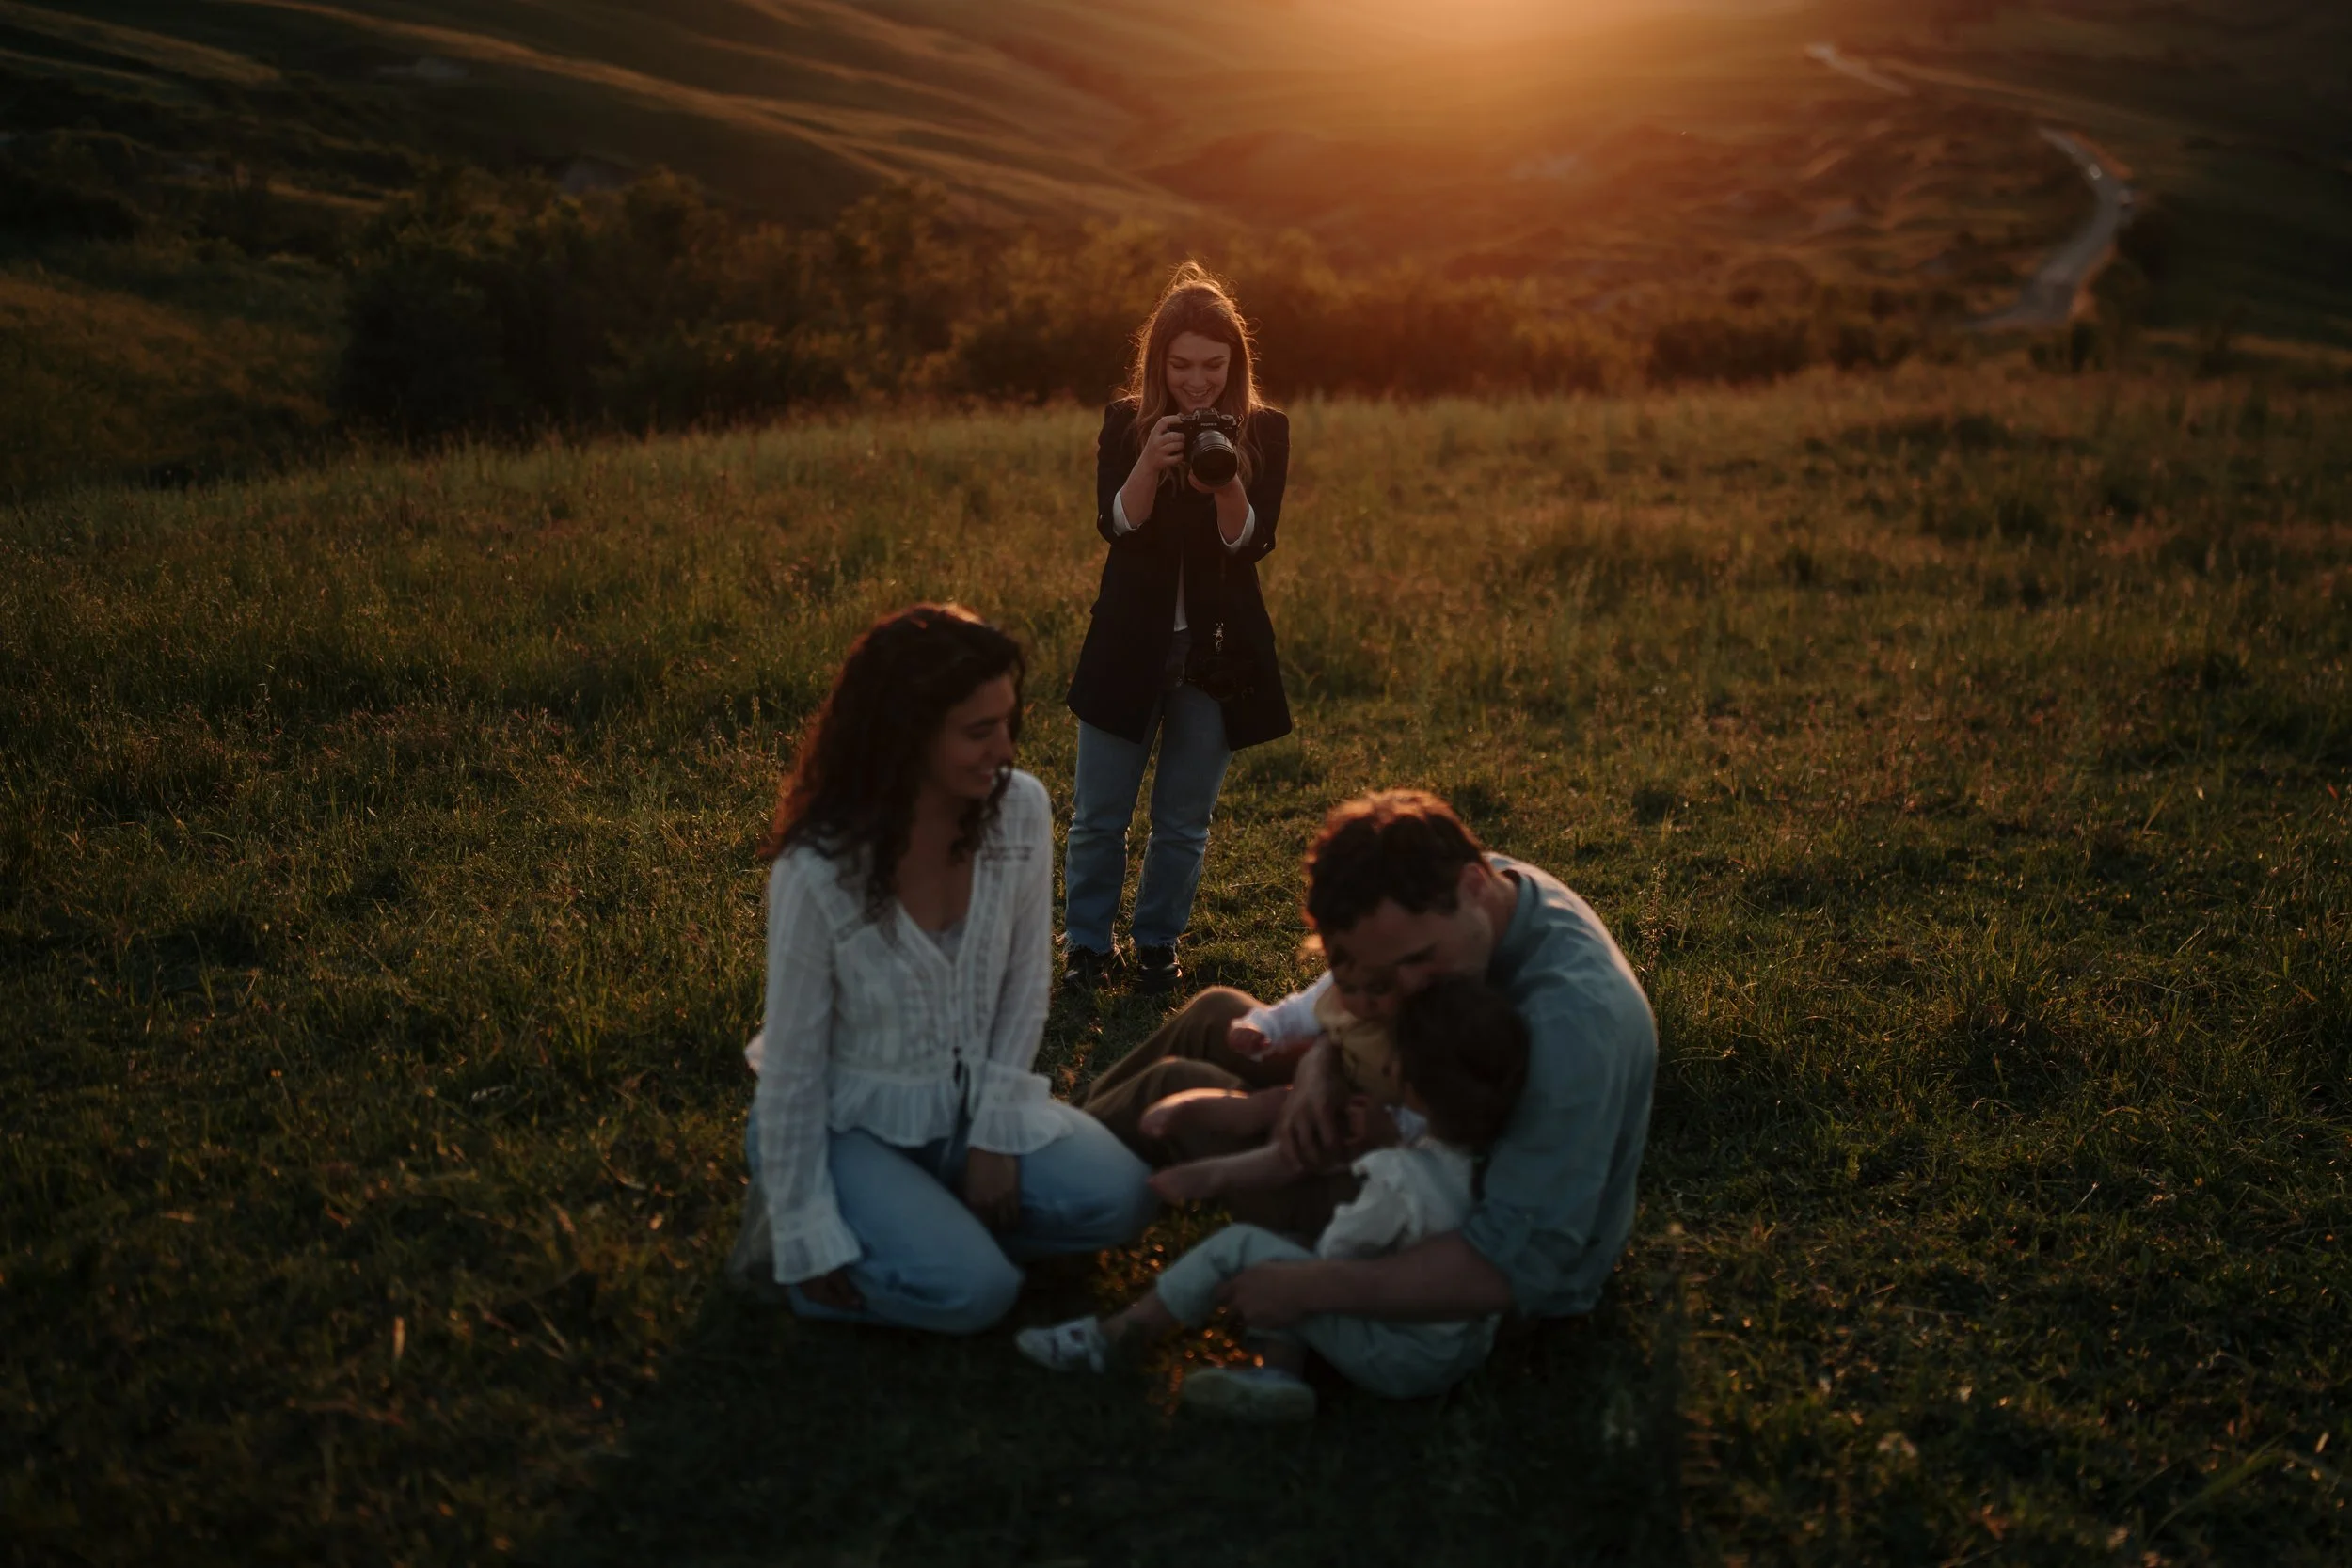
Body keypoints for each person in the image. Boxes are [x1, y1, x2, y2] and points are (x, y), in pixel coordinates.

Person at [1075, 789, 1655, 1352]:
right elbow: (1361, 1009)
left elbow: (1513, 1266)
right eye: (1381, 974)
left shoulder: (1573, 1026)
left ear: (1473, 887)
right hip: (1403, 1123)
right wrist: (1319, 1067)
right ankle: (1066, 1150)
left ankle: (1053, 1189)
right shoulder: (1473, 893)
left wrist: (1308, 1287)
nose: (1398, 996)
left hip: (1440, 1236)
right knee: (1217, 1013)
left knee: (1176, 1090)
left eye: (1416, 963)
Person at [727, 604, 1157, 1334]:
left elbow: (1026, 985)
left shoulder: (1019, 810)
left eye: (1008, 723)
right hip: (844, 1121)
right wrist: (805, 1237)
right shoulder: (818, 869)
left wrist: (994, 1131)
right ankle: (864, 1240)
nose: (1005, 749)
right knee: (977, 1293)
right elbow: (796, 1068)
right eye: (978, 730)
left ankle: (928, 1218)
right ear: (907, 734)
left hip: (961, 1106)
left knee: (1124, 1197)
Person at [1018, 977, 1528, 1421]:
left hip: (1399, 1356)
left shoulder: (1397, 1176)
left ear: (1407, 1083)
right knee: (1283, 1246)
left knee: (1246, 1248)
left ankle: (1116, 1336)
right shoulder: (1480, 1170)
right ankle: (1278, 1375)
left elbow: (1337, 1258)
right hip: (1454, 1346)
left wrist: (1274, 1259)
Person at [1061, 262, 1293, 994]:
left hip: (1218, 653)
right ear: (1159, 361)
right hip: (1130, 641)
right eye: (1183, 364)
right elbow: (1116, 525)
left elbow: (1249, 543)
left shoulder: (1264, 429)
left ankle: (1158, 941)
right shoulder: (1126, 422)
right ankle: (1088, 945)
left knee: (1184, 819)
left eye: (1214, 367)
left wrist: (1227, 482)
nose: (1198, 382)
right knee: (1100, 814)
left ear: (1236, 364)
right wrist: (1147, 463)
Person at [1133, 956, 1415, 1207]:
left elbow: (1442, 1103)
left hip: (1382, 1128)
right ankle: (1192, 1107)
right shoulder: (1346, 979)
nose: (1362, 1003)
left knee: (1294, 1152)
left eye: (1377, 991)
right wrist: (1261, 1027)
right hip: (1342, 1087)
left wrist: (1393, 1130)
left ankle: (1214, 1175)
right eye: (1349, 989)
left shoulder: (1426, 1016)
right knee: (1267, 1103)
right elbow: (1299, 1011)